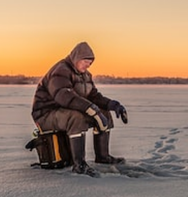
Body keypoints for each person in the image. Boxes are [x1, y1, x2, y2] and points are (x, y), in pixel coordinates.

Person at [31, 42, 128, 176]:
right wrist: (91, 109)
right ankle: (79, 165)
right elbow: (63, 96)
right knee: (76, 117)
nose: (88, 65)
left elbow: (93, 96)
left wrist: (114, 105)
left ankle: (103, 157)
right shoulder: (61, 71)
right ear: (76, 58)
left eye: (90, 63)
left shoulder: (86, 75)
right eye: (85, 61)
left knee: (104, 113)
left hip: (64, 110)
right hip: (45, 114)